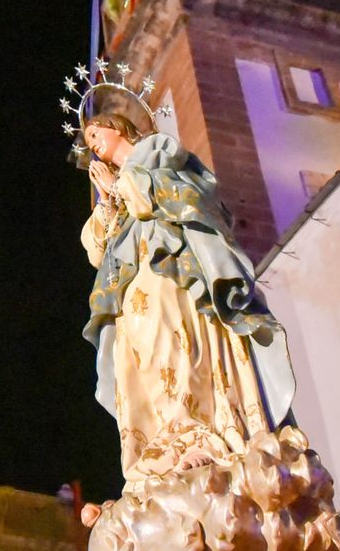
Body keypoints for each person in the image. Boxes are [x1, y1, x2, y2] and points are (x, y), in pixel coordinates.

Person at [79, 111, 295, 489]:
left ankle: (196, 433)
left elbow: (187, 196)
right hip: (134, 277)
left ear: (117, 128)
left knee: (173, 338)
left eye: (96, 133)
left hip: (175, 266)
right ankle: (162, 444)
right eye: (88, 140)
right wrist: (107, 201)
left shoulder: (157, 150)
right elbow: (99, 251)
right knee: (137, 352)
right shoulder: (113, 182)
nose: (93, 143)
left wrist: (122, 186)